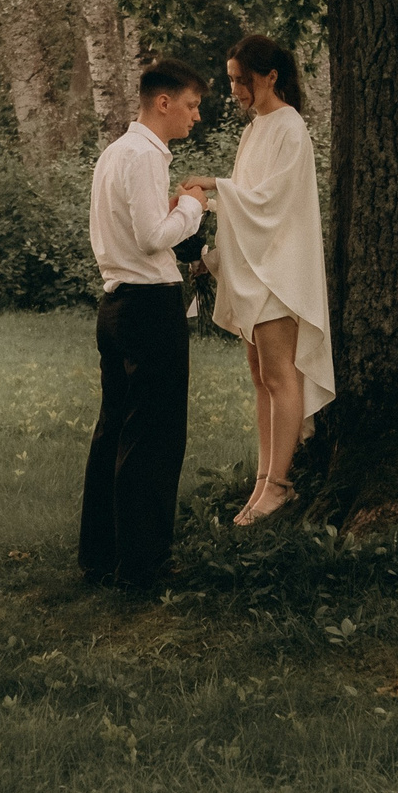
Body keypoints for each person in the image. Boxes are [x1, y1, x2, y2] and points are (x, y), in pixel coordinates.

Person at [181, 33, 334, 525]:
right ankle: (263, 480)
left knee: (279, 374)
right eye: (231, 82)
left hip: (280, 273)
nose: (236, 92)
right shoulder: (254, 132)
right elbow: (244, 204)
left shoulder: (290, 128)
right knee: (260, 378)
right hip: (252, 268)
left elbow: (270, 204)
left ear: (271, 77)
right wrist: (210, 249)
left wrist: (215, 185)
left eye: (242, 81)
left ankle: (280, 485)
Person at [79, 58, 208, 591]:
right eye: (192, 105)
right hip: (150, 307)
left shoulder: (115, 153)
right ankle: (143, 564)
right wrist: (194, 207)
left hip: (116, 306)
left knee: (115, 431)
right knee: (154, 438)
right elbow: (156, 236)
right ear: (164, 102)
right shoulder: (146, 155)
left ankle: (102, 556)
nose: (196, 117)